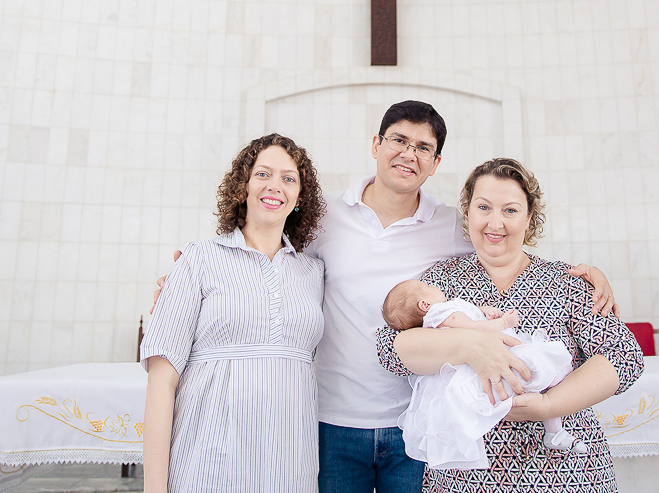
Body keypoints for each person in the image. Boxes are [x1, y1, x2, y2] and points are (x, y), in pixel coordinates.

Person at [155, 101, 618, 493]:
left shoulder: (452, 226)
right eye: (398, 140)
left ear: (435, 162)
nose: (408, 154)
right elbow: (265, 251)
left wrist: (588, 275)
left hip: (412, 420)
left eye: (423, 147)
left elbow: (501, 240)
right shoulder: (323, 217)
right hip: (331, 421)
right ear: (376, 145)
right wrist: (189, 276)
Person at [377, 158, 644, 493]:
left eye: (510, 210)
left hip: (565, 474)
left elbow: (624, 357)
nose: (495, 222)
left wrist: (549, 406)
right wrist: (470, 347)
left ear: (530, 217)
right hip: (467, 481)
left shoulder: (567, 282)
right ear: (468, 212)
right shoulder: (440, 281)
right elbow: (390, 350)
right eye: (483, 207)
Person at [141, 134, 326, 493]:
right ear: (243, 186)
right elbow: (162, 381)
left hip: (290, 462)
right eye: (263, 174)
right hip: (209, 459)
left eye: (289, 178)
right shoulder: (197, 259)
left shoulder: (314, 272)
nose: (275, 186)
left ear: (300, 197)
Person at [382, 280, 588, 470]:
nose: (432, 285)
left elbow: (469, 315)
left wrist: (484, 311)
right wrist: (505, 322)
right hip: (490, 361)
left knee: (550, 373)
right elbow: (476, 328)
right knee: (552, 365)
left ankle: (554, 431)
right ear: (424, 304)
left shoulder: (444, 312)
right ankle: (553, 430)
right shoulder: (442, 312)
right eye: (426, 286)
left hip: (491, 358)